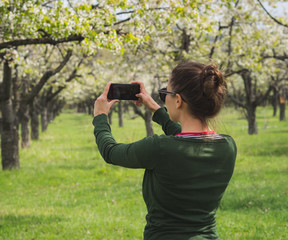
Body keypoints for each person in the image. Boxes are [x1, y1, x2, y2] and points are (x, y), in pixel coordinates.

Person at [92, 61, 237, 240]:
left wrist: (100, 117)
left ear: (178, 100)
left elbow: (110, 151)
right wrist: (154, 107)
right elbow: (188, 139)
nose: (164, 97)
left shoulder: (159, 149)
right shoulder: (228, 146)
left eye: (165, 93)